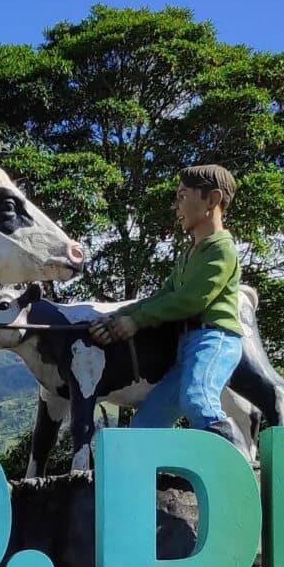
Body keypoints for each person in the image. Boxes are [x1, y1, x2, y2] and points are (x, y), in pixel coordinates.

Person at [82, 162, 247, 449]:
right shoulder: (188, 255)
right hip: (186, 347)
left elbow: (190, 300)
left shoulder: (221, 249)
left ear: (212, 200)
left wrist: (136, 321)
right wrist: (118, 315)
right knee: (146, 423)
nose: (176, 206)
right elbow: (162, 296)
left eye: (183, 196)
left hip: (215, 340)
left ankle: (236, 463)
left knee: (198, 399)